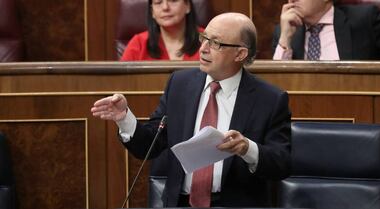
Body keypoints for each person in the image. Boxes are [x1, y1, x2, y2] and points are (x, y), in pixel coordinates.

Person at [92, 13, 291, 207]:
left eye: (216, 43)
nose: (203, 48)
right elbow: (150, 145)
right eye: (204, 38)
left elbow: (281, 164)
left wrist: (247, 148)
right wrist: (124, 118)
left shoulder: (270, 99)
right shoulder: (179, 84)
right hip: (180, 203)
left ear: (240, 54)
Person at [272, 0, 380, 60]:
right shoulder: (285, 32)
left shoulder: (365, 21)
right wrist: (285, 38)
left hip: (356, 114)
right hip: (302, 115)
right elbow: (276, 87)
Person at [121, 0, 203, 61]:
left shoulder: (208, 40)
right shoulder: (138, 44)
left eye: (173, 1)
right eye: (158, 2)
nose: (165, 7)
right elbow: (123, 82)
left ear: (187, 6)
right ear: (152, 12)